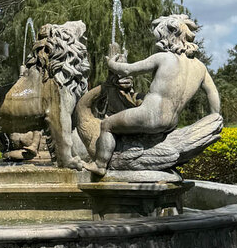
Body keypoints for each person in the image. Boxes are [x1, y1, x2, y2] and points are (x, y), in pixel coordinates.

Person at [84, 14, 220, 176]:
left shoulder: (164, 58)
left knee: (107, 125)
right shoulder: (200, 67)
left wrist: (111, 63)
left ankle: (100, 164)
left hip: (150, 115)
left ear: (167, 36)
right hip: (171, 122)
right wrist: (214, 117)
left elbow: (127, 70)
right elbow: (213, 93)